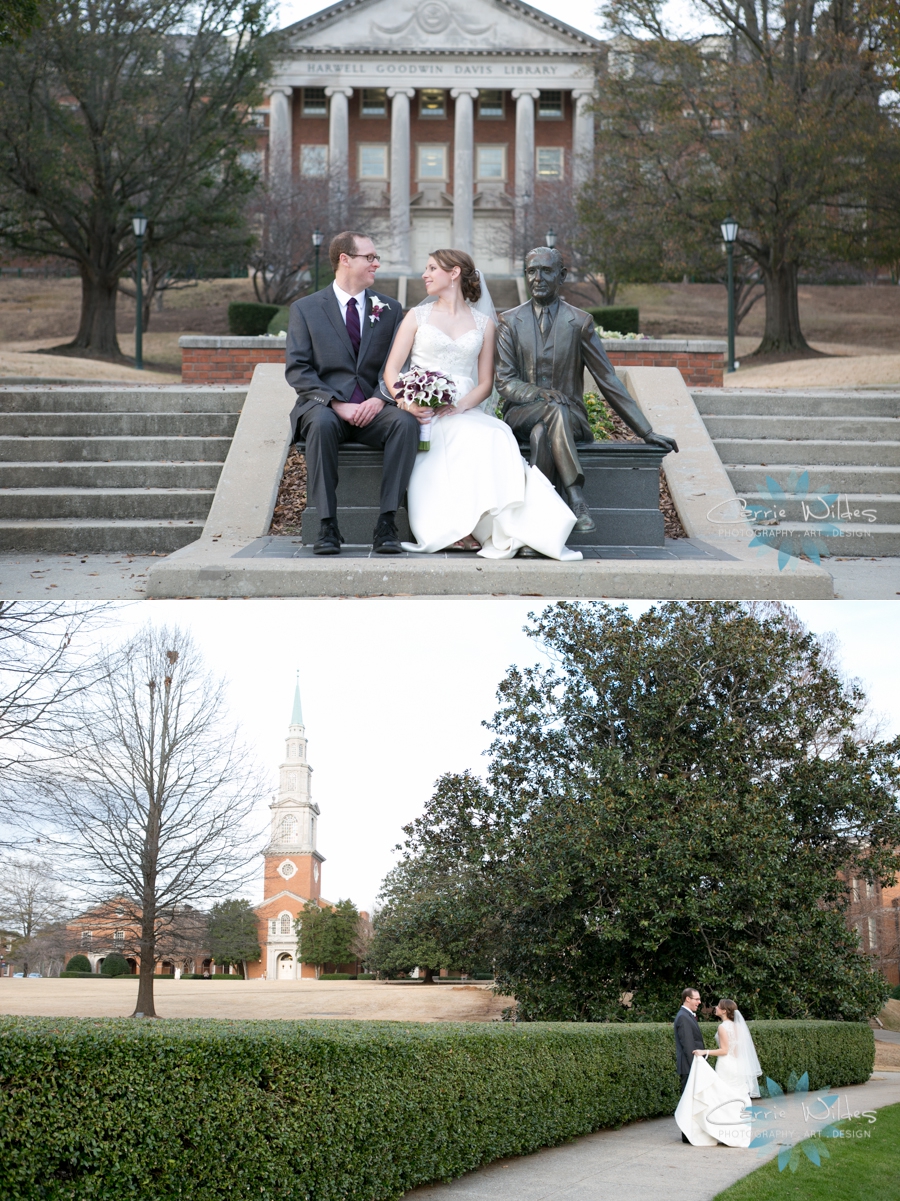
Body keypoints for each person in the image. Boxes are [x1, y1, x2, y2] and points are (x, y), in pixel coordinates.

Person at [382, 249, 582, 560]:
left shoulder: (484, 323)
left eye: (432, 268)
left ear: (454, 273)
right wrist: (406, 402)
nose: (425, 274)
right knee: (458, 437)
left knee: (495, 434)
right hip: (421, 409)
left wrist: (461, 406)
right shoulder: (416, 316)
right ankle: (455, 527)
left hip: (464, 406)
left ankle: (507, 525)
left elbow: (486, 383)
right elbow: (392, 369)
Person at [495, 246, 678, 540]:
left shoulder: (579, 322)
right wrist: (539, 393)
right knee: (549, 413)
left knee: (543, 434)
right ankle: (575, 498)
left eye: (546, 271)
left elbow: (608, 379)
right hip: (522, 413)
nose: (537, 278)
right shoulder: (509, 321)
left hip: (571, 419)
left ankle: (536, 528)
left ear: (562, 275)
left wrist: (645, 431)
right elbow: (504, 381)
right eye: (531, 271)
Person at [285, 230, 421, 555]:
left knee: (405, 423)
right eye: (369, 257)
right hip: (326, 407)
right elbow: (297, 369)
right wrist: (336, 403)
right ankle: (327, 526)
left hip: (375, 407)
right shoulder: (306, 309)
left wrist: (380, 398)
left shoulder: (389, 308)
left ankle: (387, 524)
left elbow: (397, 364)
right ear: (345, 260)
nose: (376, 263)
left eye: (376, 257)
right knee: (320, 424)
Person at [676, 997, 763, 1148]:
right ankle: (737, 1133)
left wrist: (705, 1052)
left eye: (718, 1006)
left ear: (724, 1010)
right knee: (736, 1097)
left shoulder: (723, 1027)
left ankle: (723, 1131)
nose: (715, 1007)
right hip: (737, 1065)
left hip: (726, 1065)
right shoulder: (738, 1027)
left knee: (722, 1098)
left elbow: (724, 1050)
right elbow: (736, 1050)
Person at [673, 987, 706, 1143]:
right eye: (696, 999)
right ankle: (687, 1135)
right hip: (689, 1066)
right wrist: (696, 1067)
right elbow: (688, 1045)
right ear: (687, 999)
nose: (699, 1002)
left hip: (691, 1065)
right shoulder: (683, 1017)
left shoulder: (687, 1016)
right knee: (688, 1101)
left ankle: (692, 1132)